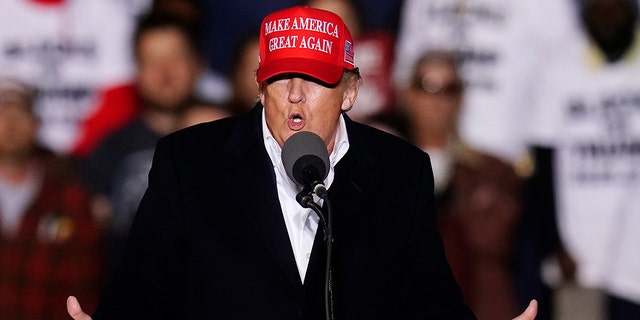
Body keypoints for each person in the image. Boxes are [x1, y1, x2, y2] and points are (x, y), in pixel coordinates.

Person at [67, 6, 538, 319]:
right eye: (279, 78)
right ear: (258, 86)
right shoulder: (190, 161)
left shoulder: (399, 170)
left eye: (313, 79)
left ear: (350, 91)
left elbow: (429, 296)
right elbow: (144, 282)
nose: (294, 95)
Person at [77, 12, 206, 273]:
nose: (165, 72)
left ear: (198, 64)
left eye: (175, 58)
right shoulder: (109, 151)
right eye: (151, 61)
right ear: (136, 70)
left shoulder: (230, 136)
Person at [0, 79, 105, 320]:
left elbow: (84, 284)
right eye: (2, 114)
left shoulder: (69, 197)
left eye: (19, 115)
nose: (10, 125)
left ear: (36, 125)